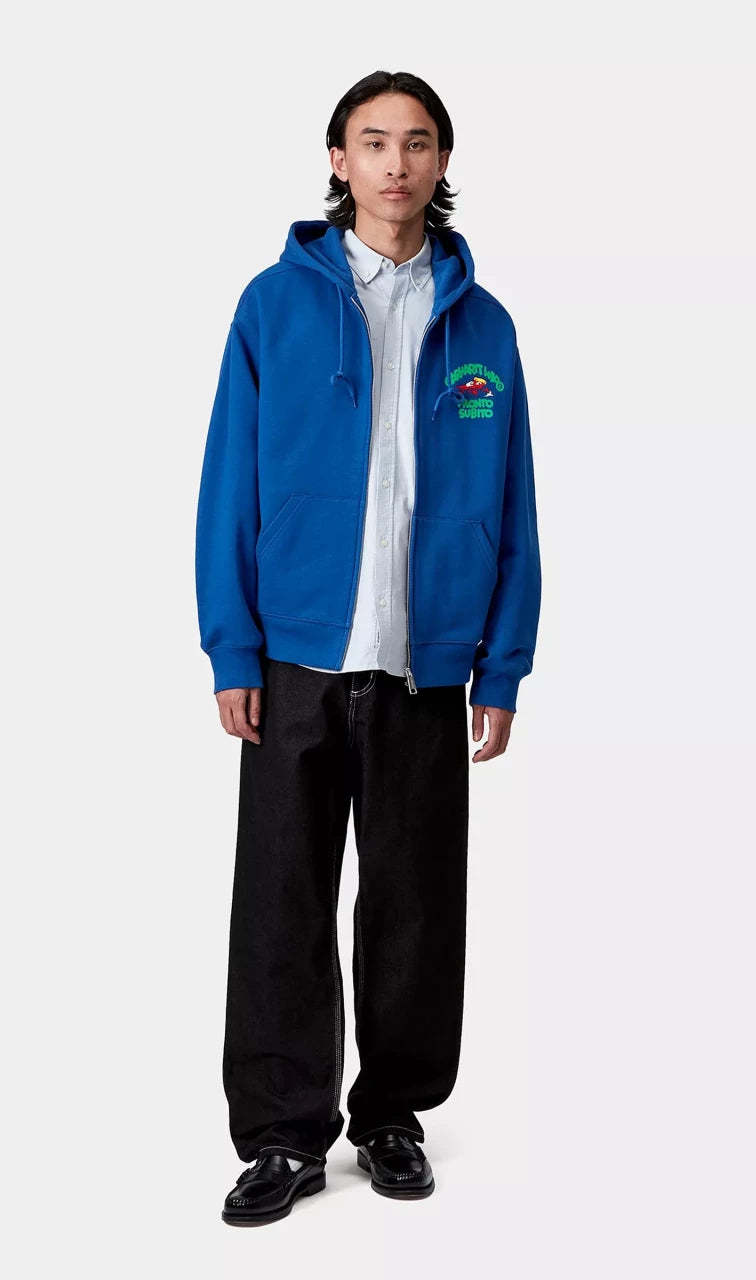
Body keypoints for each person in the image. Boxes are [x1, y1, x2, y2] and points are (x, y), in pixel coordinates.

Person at [195, 69, 542, 1227]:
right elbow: (227, 483)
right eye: (373, 140)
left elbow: (515, 502)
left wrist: (500, 662)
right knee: (280, 903)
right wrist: (231, 647)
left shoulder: (481, 325)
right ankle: (281, 1134)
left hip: (424, 664)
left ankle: (391, 1114)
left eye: (417, 141)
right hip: (293, 660)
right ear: (337, 161)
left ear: (441, 162)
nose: (396, 162)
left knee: (414, 904)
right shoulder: (272, 305)